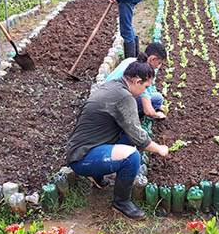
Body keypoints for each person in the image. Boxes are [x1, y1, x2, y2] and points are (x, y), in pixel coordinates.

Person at [67, 53, 169, 219]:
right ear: (137, 81)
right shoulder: (124, 97)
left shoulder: (116, 85)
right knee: (132, 157)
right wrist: (160, 149)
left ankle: (98, 175)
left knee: (128, 139)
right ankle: (121, 202)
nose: (145, 92)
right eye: (145, 87)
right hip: (82, 157)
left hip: (86, 146)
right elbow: (140, 139)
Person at [105, 42, 167, 119]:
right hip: (113, 106)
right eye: (159, 63)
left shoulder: (131, 60)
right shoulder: (144, 72)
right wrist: (157, 115)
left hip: (105, 95)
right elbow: (148, 111)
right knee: (158, 99)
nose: (158, 67)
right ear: (152, 59)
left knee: (156, 99)